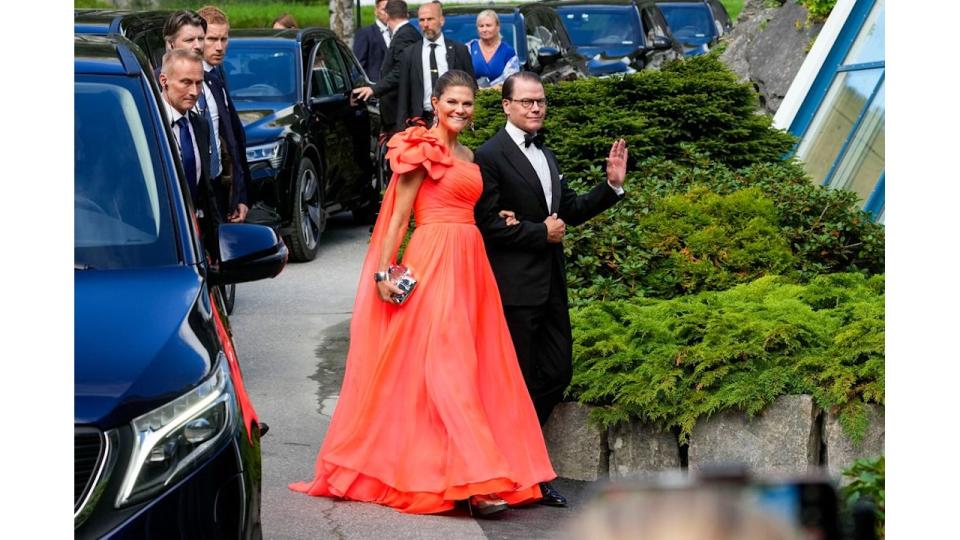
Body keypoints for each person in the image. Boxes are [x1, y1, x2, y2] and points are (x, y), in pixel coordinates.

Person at [290, 70, 556, 517]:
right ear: (436, 102)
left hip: (472, 265)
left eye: (467, 103)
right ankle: (481, 481)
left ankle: (456, 472)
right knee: (447, 368)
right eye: (452, 102)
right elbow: (397, 219)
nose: (460, 110)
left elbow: (478, 208)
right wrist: (381, 274)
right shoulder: (420, 149)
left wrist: (502, 216)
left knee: (472, 371)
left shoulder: (471, 155)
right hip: (432, 262)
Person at [473, 71, 628, 507]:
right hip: (514, 290)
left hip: (552, 288)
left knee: (557, 374)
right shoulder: (489, 156)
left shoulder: (547, 153)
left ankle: (521, 461)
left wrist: (612, 186)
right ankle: (518, 474)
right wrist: (539, 233)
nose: (536, 108)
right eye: (526, 102)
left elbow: (569, 210)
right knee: (516, 384)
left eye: (540, 101)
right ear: (506, 106)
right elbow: (486, 226)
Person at [157, 49, 218, 244]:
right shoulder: (149, 124)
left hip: (195, 237)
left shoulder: (200, 125)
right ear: (164, 81)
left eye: (198, 83)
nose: (194, 92)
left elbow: (205, 190)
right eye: (185, 82)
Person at [197, 5, 249, 224]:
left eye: (224, 39)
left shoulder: (218, 72)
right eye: (212, 39)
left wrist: (240, 194)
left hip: (221, 187)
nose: (219, 47)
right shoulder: (192, 81)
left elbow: (232, 138)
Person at [396, 1, 474, 127]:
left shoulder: (459, 50)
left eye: (430, 19)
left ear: (441, 20)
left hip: (453, 118)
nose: (425, 24)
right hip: (420, 122)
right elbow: (403, 95)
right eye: (421, 20)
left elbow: (472, 87)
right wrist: (401, 130)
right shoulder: (409, 54)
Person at [352, 0, 421, 134]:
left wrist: (374, 89)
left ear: (387, 15)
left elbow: (401, 70)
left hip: (399, 110)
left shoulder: (404, 36)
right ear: (406, 13)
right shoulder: (410, 33)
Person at [467, 10, 520, 88]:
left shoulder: (508, 52)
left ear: (498, 27)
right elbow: (460, 76)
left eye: (488, 25)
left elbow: (512, 82)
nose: (484, 30)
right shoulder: (469, 48)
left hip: (499, 96)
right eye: (481, 26)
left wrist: (491, 90)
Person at [352, 0, 390, 82]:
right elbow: (359, 65)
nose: (387, 13)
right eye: (384, 9)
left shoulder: (398, 32)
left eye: (390, 9)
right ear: (376, 11)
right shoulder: (365, 33)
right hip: (374, 87)